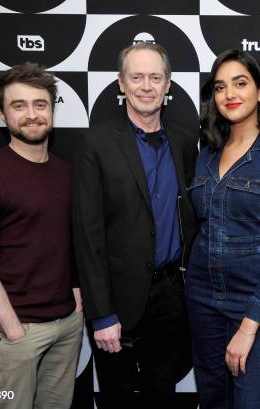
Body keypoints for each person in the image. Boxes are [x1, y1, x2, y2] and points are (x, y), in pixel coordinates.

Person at [72, 42, 198, 408]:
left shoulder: (185, 143)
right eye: (137, 77)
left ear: (168, 85)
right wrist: (101, 314)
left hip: (171, 295)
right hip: (117, 299)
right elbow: (87, 234)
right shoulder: (94, 144)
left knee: (164, 391)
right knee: (117, 397)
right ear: (121, 84)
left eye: (155, 77)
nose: (147, 86)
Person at [0, 62, 83, 409]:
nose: (32, 115)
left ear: (52, 109)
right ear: (2, 114)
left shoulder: (65, 173)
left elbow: (70, 246)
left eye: (40, 104)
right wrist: (13, 330)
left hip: (66, 326)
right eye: (19, 105)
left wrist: (76, 305)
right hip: (17, 332)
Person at [186, 49, 260, 409]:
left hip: (258, 305)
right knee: (212, 401)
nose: (230, 94)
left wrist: (250, 324)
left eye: (240, 83)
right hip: (202, 299)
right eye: (221, 87)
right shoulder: (207, 153)